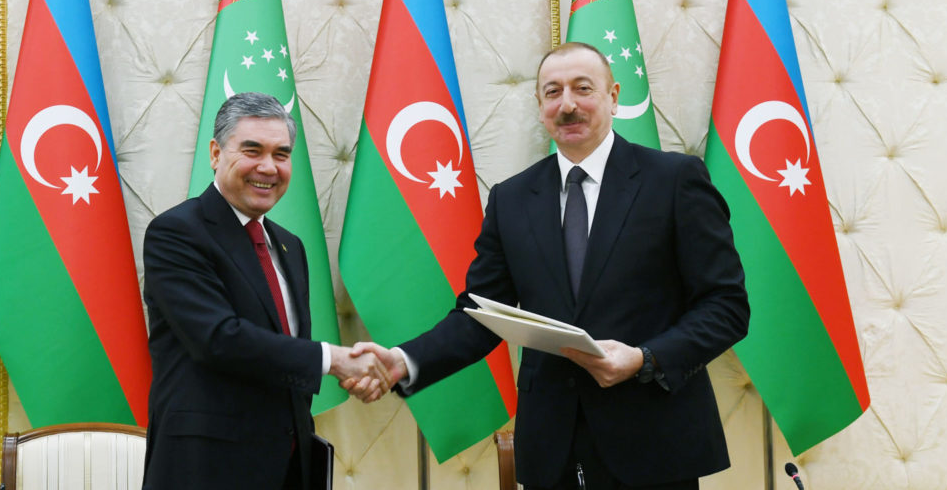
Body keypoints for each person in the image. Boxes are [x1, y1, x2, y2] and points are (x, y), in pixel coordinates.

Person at [351, 42, 750, 489]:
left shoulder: (675, 180)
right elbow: (481, 316)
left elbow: (726, 306)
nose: (568, 105)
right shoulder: (512, 199)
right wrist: (404, 361)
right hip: (551, 451)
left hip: (653, 444)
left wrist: (644, 359)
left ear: (614, 96)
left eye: (583, 88)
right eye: (553, 92)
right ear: (540, 105)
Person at [142, 92, 388, 490]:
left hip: (289, 466)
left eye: (281, 154)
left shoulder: (290, 246)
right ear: (216, 153)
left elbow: (284, 358)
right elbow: (217, 338)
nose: (268, 167)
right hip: (205, 469)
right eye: (252, 150)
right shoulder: (178, 233)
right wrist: (333, 359)